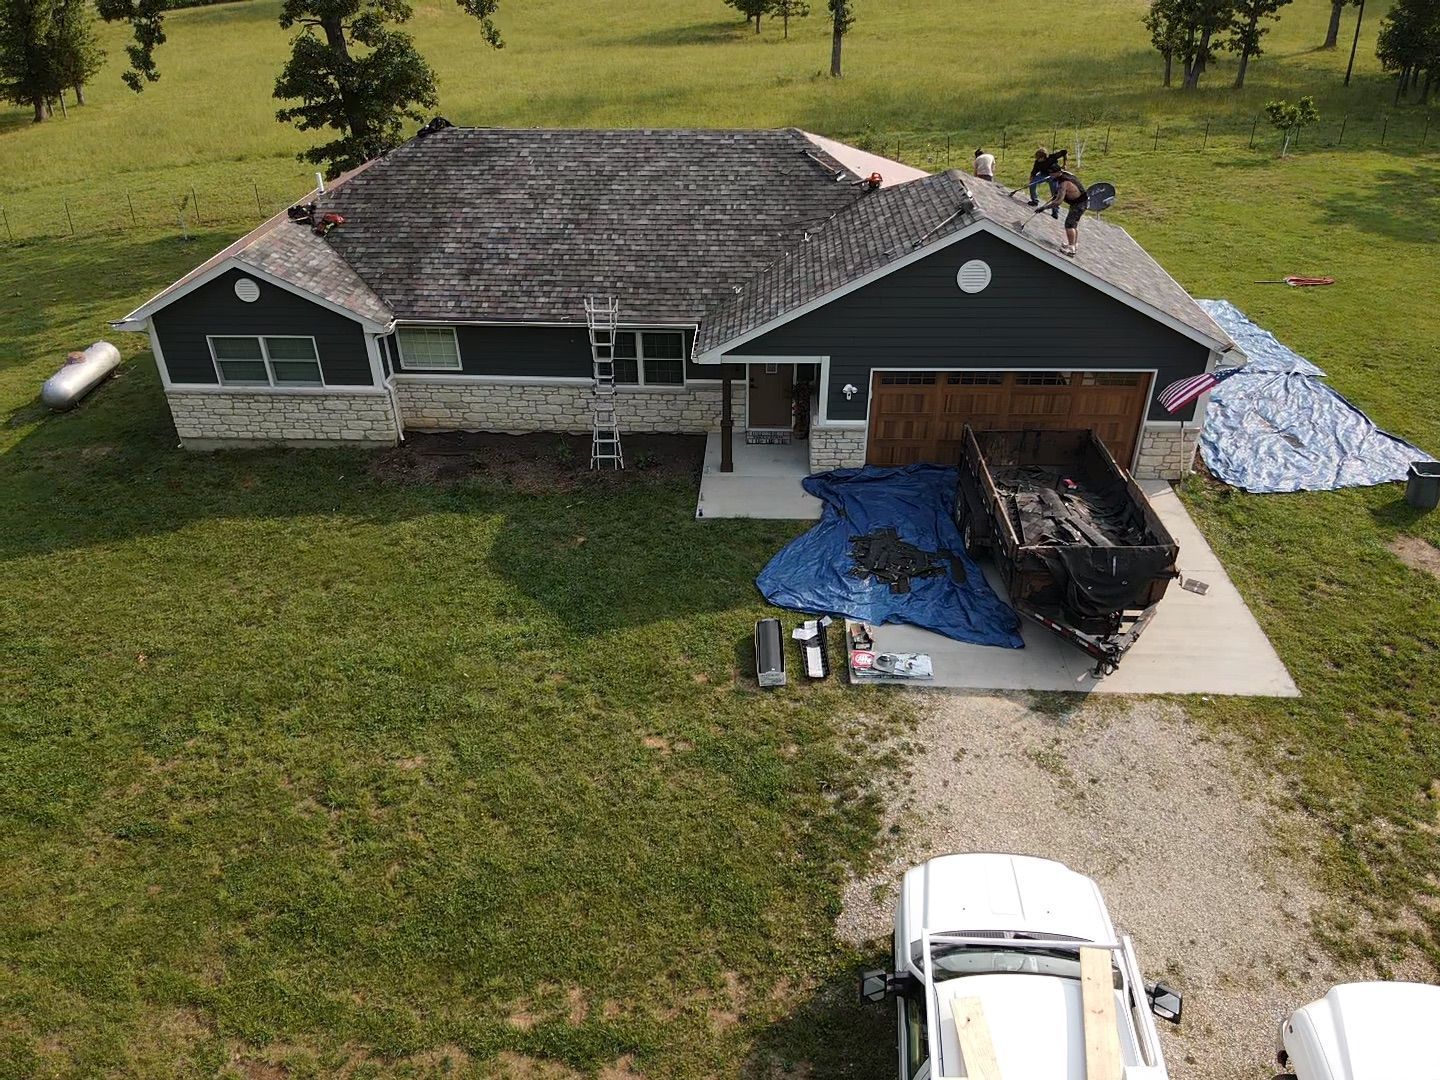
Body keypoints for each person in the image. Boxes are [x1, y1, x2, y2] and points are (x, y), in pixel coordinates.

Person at [1035, 163, 1088, 257]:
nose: (1050, 175)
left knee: (1069, 225)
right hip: (1080, 202)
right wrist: (1057, 194)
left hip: (1079, 204)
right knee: (1073, 224)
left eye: (1052, 174)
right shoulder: (1066, 174)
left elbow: (1058, 202)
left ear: (1058, 172)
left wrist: (1043, 208)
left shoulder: (1064, 183)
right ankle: (1073, 244)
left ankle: (1071, 250)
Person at [1027, 147, 1067, 218]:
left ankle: (1055, 211)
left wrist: (1064, 164)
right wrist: (1031, 181)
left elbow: (1064, 152)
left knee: (1055, 194)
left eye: (1038, 158)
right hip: (1044, 175)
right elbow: (1033, 172)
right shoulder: (1037, 162)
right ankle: (1034, 201)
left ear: (1043, 157)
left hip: (1054, 176)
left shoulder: (1052, 157)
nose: (1037, 159)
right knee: (1032, 184)